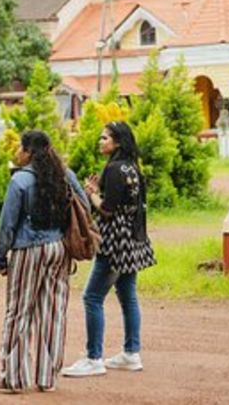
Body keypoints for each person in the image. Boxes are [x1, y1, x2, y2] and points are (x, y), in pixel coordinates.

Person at [0, 129, 88, 394]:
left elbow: (8, 225)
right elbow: (85, 205)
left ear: (29, 152)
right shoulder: (65, 175)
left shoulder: (20, 180)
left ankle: (13, 378)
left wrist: (0, 257)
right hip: (58, 249)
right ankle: (47, 378)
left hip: (27, 250)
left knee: (18, 313)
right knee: (53, 312)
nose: (17, 153)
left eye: (20, 148)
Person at [62, 121, 156, 378]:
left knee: (92, 297)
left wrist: (92, 193)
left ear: (118, 142)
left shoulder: (115, 169)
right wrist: (97, 192)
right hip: (133, 239)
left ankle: (94, 358)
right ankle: (131, 353)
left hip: (115, 241)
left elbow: (107, 210)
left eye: (105, 138)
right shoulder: (133, 168)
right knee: (128, 295)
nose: (100, 141)